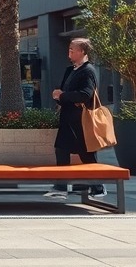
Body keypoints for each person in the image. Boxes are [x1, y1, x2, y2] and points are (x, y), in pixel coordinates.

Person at [45, 38, 106, 199]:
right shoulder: (70, 70)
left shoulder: (88, 70)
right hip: (69, 118)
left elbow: (86, 94)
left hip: (80, 120)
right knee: (64, 149)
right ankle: (63, 187)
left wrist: (63, 95)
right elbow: (64, 91)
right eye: (69, 49)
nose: (69, 52)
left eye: (73, 49)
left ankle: (95, 187)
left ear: (83, 52)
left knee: (86, 152)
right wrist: (58, 96)